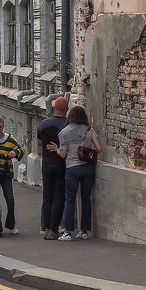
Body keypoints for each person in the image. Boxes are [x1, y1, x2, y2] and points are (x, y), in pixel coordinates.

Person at [53, 105, 102, 241]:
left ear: (70, 117)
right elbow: (99, 148)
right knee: (86, 199)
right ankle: (84, 231)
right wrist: (86, 152)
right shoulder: (89, 129)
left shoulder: (64, 132)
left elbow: (63, 155)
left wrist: (56, 149)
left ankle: (68, 232)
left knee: (70, 200)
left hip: (72, 168)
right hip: (88, 168)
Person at [37, 96, 69, 239]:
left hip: (46, 163)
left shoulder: (43, 123)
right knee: (58, 197)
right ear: (67, 109)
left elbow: (39, 142)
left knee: (47, 196)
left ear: (54, 107)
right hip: (61, 163)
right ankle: (53, 229)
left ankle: (44, 226)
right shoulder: (67, 126)